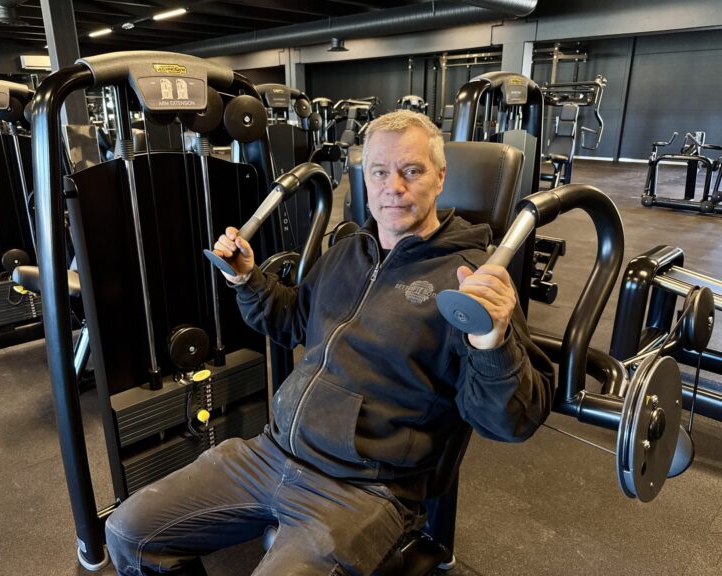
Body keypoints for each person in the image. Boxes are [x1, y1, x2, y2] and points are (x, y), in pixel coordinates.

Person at [105, 109, 555, 576]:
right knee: (129, 532)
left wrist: (492, 341)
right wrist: (248, 279)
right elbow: (292, 321)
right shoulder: (347, 252)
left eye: (411, 171)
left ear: (440, 178)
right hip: (271, 452)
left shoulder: (471, 281)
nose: (393, 187)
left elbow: (510, 421)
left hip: (363, 487)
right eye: (379, 172)